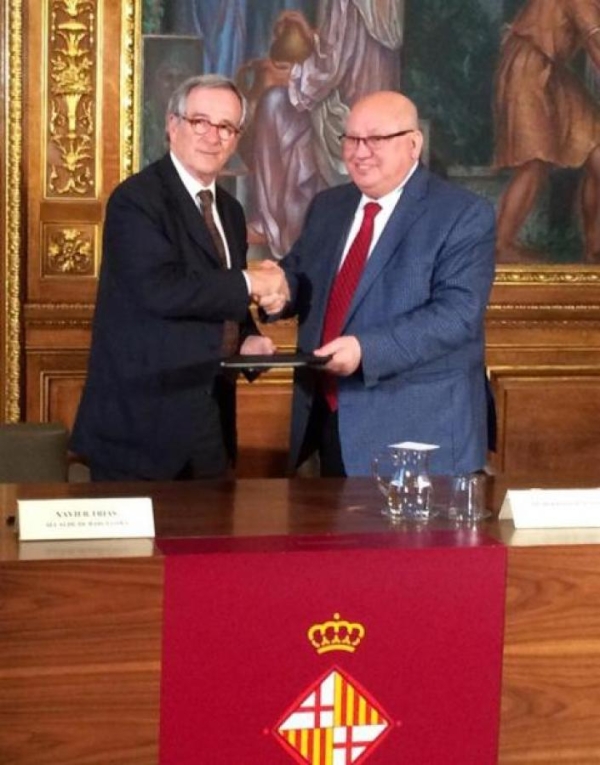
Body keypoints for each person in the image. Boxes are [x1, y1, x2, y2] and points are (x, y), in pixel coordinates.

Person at [260, 90, 496, 477]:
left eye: (376, 139)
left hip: (419, 430)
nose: (360, 152)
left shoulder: (462, 214)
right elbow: (302, 276)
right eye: (351, 138)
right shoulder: (328, 206)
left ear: (414, 144)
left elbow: (457, 316)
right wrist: (279, 289)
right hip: (329, 423)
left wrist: (366, 350)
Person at [71, 75, 288, 481]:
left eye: (226, 127)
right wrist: (250, 282)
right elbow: (160, 291)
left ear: (237, 138)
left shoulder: (230, 211)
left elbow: (217, 299)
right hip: (139, 429)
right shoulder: (135, 200)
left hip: (209, 423)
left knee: (214, 525)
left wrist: (247, 338)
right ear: (173, 126)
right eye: (200, 122)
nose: (213, 137)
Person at [493, 0, 600, 264]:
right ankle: (501, 245)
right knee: (534, 161)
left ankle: (595, 247)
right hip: (528, 65)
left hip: (552, 72)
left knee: (597, 148)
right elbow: (597, 45)